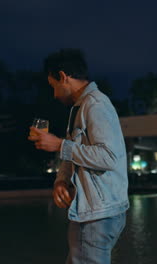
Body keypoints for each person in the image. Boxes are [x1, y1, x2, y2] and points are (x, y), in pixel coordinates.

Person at [28, 48, 129, 264]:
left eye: (53, 86)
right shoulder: (81, 107)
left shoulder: (95, 104)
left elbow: (109, 156)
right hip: (95, 212)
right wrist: (61, 181)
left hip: (97, 216)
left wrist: (58, 145)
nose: (54, 94)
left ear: (63, 77)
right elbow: (74, 152)